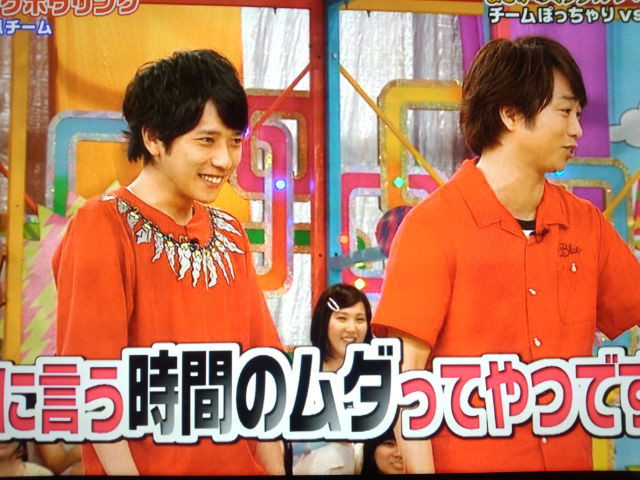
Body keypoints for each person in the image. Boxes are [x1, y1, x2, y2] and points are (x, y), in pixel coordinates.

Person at [372, 36, 640, 473]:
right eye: (565, 112)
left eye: (578, 114)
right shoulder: (431, 227)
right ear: (511, 114)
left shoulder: (586, 224)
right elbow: (408, 387)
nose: (577, 130)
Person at [54, 50, 283, 475]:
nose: (225, 160)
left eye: (235, 140)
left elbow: (261, 375)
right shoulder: (102, 225)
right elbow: (91, 385)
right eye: (207, 140)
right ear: (154, 139)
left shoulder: (230, 232)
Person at [291, 284, 372, 475]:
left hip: (366, 462)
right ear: (323, 321)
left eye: (360, 319)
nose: (351, 328)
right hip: (313, 463)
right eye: (342, 318)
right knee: (335, 455)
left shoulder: (376, 372)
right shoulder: (300, 372)